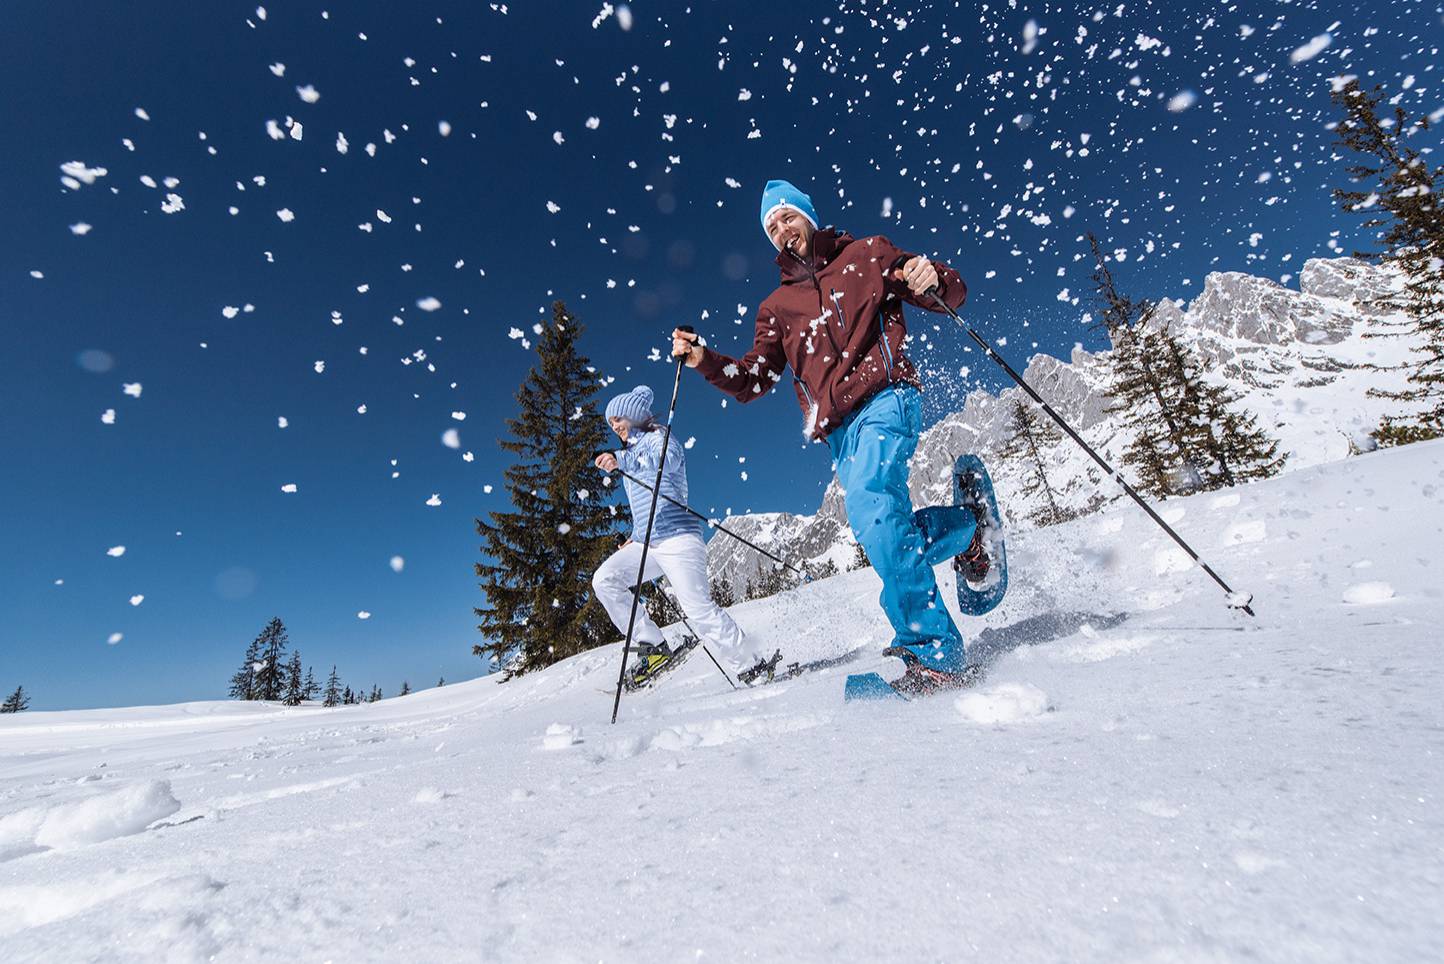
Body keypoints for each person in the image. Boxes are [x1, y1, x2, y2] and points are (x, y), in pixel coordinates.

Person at [670, 179, 990, 695]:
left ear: (809, 217)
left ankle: (936, 654)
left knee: (871, 506)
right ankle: (967, 529)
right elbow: (754, 381)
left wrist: (931, 275)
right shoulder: (776, 307)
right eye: (771, 226)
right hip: (841, 434)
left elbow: (949, 293)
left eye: (787, 217)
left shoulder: (867, 254)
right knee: (882, 530)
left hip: (888, 398)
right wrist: (706, 359)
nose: (781, 229)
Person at [591, 385, 770, 683]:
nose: (615, 428)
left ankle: (752, 665)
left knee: (698, 609)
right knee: (605, 579)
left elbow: (666, 464)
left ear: (633, 416)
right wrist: (634, 538)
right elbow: (647, 505)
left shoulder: (660, 438)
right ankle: (652, 645)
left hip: (679, 540)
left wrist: (621, 461)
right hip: (648, 543)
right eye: (611, 424)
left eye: (617, 420)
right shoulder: (630, 453)